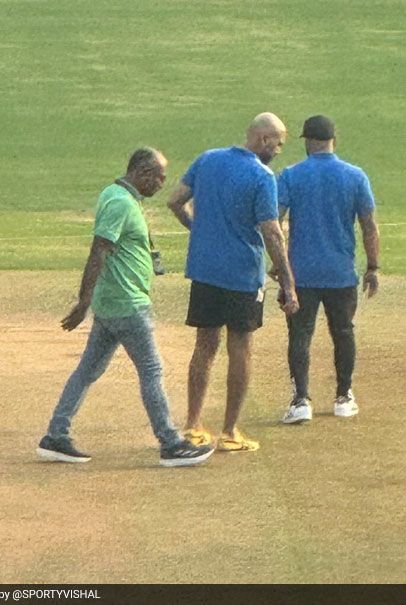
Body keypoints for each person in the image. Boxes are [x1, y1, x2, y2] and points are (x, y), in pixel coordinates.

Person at [36, 147, 214, 467]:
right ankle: (170, 443)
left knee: (88, 370)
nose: (162, 184)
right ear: (143, 173)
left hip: (112, 303)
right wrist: (83, 300)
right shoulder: (119, 202)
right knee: (152, 371)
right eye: (159, 177)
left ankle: (56, 435)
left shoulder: (116, 195)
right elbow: (99, 249)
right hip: (127, 304)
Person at [166, 113, 299, 453]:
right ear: (264, 139)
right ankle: (229, 431)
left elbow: (174, 201)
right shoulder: (262, 176)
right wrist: (288, 282)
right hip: (242, 275)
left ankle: (193, 424)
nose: (279, 150)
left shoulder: (207, 159)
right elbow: (272, 231)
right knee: (240, 349)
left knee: (204, 346)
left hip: (205, 270)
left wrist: (198, 230)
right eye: (279, 143)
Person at [277, 116, 380, 424]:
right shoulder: (355, 176)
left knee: (300, 335)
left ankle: (300, 401)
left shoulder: (291, 175)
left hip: (301, 274)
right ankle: (344, 396)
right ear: (334, 140)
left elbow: (275, 223)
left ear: (308, 141)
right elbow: (369, 225)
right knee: (344, 332)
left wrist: (278, 265)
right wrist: (372, 266)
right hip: (341, 272)